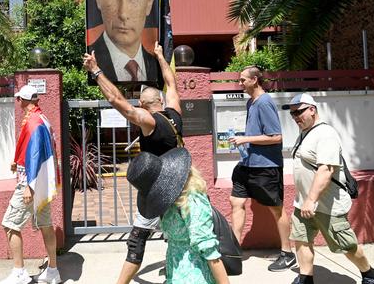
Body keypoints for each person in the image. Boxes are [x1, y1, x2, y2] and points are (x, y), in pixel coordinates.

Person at [83, 42, 182, 284]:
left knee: (137, 240)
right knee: (176, 235)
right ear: (160, 100)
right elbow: (171, 82)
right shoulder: (175, 113)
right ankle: (175, 273)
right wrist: (160, 56)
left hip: (158, 190)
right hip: (181, 183)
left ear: (142, 105)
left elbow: (117, 100)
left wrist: (96, 71)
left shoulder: (150, 122)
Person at [284, 93, 374, 284]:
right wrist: (304, 200)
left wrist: (311, 200)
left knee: (346, 245)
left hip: (326, 204)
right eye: (292, 114)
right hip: (303, 203)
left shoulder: (326, 134)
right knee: (301, 239)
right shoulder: (306, 132)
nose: (296, 117)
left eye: (299, 112)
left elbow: (326, 170)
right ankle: (305, 278)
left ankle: (370, 274)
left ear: (312, 110)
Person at [126, 148, 229, 284]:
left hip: (195, 277)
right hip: (175, 274)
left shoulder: (191, 200)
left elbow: (209, 251)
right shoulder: (169, 203)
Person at [227, 66, 294, 271]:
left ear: (255, 80)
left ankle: (288, 253)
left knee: (276, 209)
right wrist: (245, 143)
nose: (240, 83)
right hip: (247, 164)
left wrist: (246, 139)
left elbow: (276, 137)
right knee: (236, 201)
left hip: (266, 167)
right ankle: (233, 250)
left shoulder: (265, 102)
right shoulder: (251, 102)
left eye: (243, 80)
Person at [0, 85, 61, 284]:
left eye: (19, 99)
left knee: (10, 224)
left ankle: (19, 273)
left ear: (23, 101)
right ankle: (53, 271)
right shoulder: (42, 118)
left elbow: (35, 155)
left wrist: (29, 186)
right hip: (42, 182)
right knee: (45, 225)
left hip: (31, 182)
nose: (18, 102)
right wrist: (17, 161)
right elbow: (36, 151)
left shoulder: (33, 121)